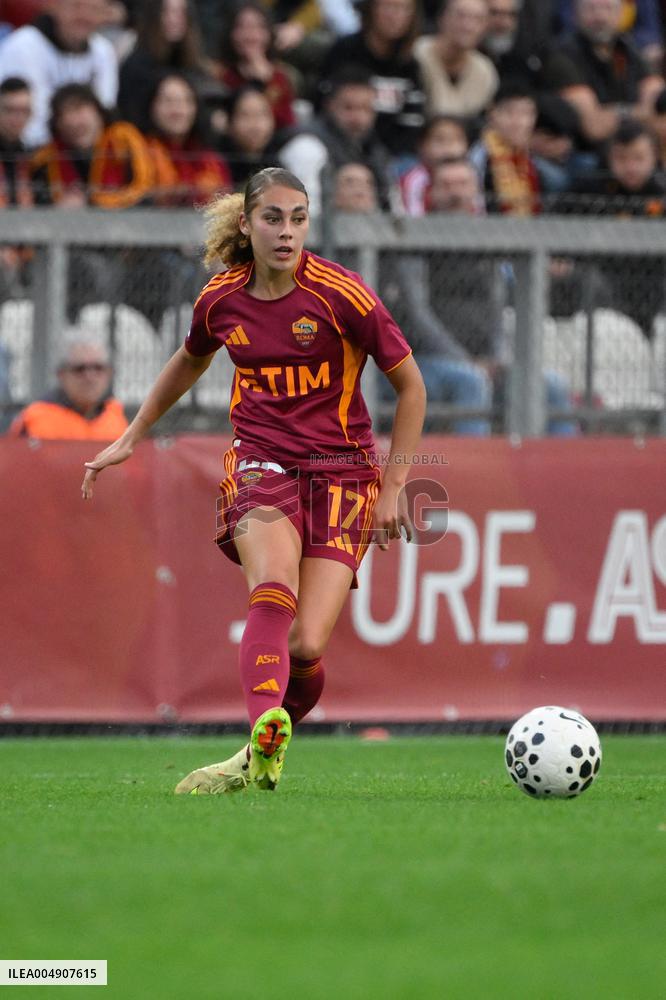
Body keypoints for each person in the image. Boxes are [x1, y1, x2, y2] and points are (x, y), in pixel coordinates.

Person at [80, 167, 426, 795]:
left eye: (299, 218)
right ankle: (264, 719)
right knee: (273, 587)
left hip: (342, 472)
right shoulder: (221, 298)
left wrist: (395, 488)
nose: (287, 232)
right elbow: (190, 358)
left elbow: (412, 386)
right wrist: (132, 434)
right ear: (247, 223)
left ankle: (256, 752)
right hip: (261, 461)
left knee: (306, 644)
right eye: (273, 217)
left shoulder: (341, 294)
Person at [542, 0, 664, 150]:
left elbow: (659, 112)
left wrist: (615, 114)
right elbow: (594, 127)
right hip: (583, 155)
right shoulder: (562, 55)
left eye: (607, 8)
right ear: (575, 14)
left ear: (621, 14)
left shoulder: (627, 48)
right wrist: (638, 112)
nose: (600, 16)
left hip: (633, 151)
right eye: (591, 8)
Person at [0, 0, 119, 147]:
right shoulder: (23, 46)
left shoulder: (103, 51)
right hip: (33, 154)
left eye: (94, 9)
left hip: (89, 156)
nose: (85, 16)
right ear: (54, 5)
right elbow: (29, 125)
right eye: (76, 6)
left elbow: (105, 110)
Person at [279, 66, 395, 213]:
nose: (358, 118)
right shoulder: (306, 147)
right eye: (348, 108)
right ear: (330, 106)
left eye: (366, 109)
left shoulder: (376, 151)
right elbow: (306, 215)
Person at [319, 0, 427, 157]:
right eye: (388, 6)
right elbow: (322, 107)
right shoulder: (343, 52)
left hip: (391, 157)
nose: (395, 16)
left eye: (404, 9)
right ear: (371, 8)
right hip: (335, 150)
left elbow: (411, 125)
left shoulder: (410, 65)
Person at [117, 0, 215, 134]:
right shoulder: (136, 66)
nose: (174, 19)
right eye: (167, 12)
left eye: (181, 13)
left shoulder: (194, 67)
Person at [10, 337, 128, 439]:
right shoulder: (36, 418)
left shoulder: (117, 417)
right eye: (79, 369)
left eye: (98, 368)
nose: (90, 377)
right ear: (61, 374)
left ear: (109, 373)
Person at [144, 72, 232, 205]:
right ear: (152, 107)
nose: (177, 110)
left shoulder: (212, 161)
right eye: (168, 101)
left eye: (185, 101)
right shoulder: (138, 152)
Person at [212, 1, 297, 131]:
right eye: (242, 27)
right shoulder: (219, 74)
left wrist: (266, 81)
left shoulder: (281, 77)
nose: (250, 35)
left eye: (258, 27)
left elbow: (288, 124)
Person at [414, 0, 499, 122]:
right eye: (460, 16)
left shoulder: (485, 71)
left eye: (477, 19)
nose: (468, 26)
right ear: (442, 18)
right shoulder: (416, 55)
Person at [399, 113, 469, 214]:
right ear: (422, 146)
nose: (449, 146)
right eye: (440, 140)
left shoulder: (471, 176)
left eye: (456, 139)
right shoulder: (414, 181)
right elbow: (414, 221)